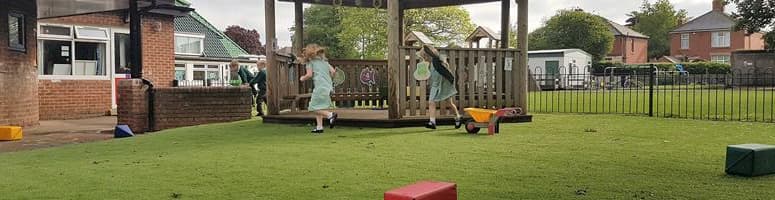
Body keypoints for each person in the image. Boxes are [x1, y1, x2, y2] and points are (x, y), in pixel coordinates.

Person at [416, 44, 462, 130]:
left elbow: (443, 59)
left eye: (424, 55)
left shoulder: (437, 57)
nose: (424, 57)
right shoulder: (428, 63)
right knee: (431, 102)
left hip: (444, 82)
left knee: (449, 102)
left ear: (428, 54)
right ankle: (432, 122)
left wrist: (443, 61)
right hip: (435, 84)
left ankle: (457, 117)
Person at [299, 44, 338, 134]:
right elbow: (333, 72)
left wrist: (302, 78)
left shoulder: (310, 62)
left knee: (312, 107)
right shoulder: (325, 62)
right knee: (319, 106)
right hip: (328, 87)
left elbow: (309, 75)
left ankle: (330, 115)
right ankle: (319, 127)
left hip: (320, 87)